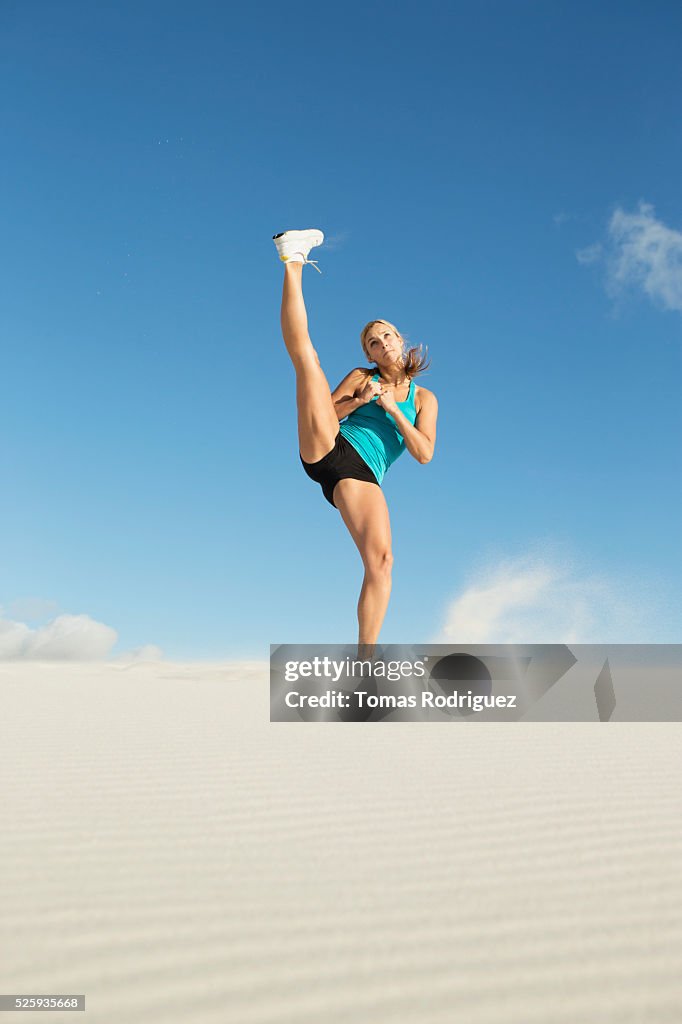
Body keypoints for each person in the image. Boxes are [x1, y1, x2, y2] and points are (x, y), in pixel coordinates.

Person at [274, 229, 438, 659]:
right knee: (307, 359)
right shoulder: (362, 377)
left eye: (387, 336)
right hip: (328, 447)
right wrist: (359, 400)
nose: (381, 343)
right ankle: (293, 261)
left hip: (361, 475)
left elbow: (424, 453)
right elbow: (323, 413)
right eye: (372, 341)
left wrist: (394, 410)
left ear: (400, 340)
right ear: (368, 353)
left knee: (382, 563)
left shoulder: (423, 398)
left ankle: (366, 660)